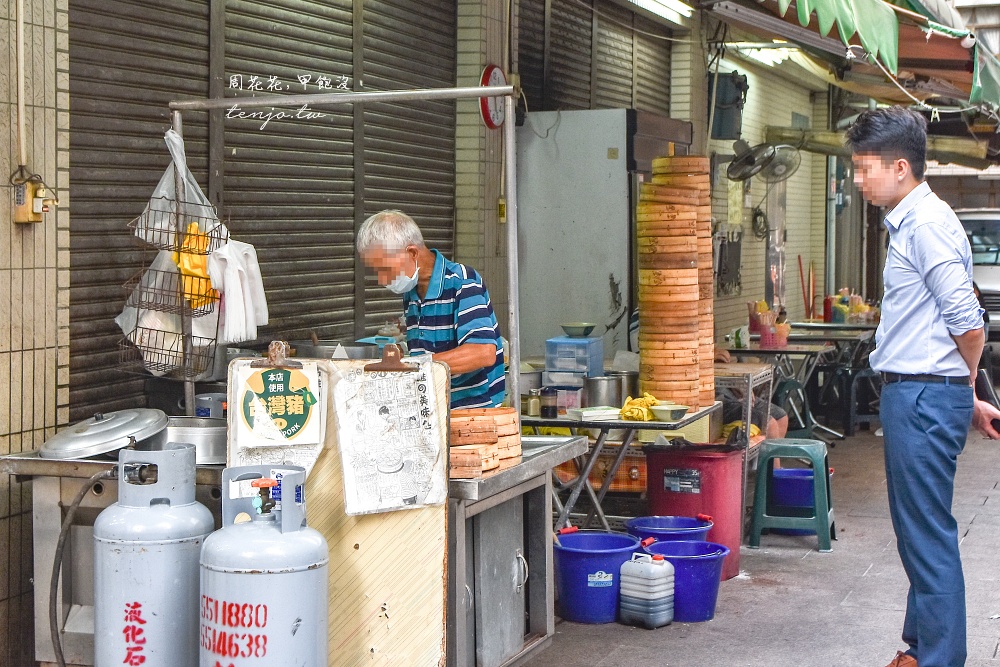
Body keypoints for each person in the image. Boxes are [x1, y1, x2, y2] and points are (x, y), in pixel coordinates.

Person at [846, 106, 1000, 667]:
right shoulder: (915, 221)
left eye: (865, 168)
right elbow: (947, 327)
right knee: (919, 534)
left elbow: (966, 320)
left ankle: (938, 660)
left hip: (922, 397)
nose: (859, 179)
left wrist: (958, 390)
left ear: (901, 166)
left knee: (928, 538)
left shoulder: (927, 225)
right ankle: (919, 650)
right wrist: (972, 395)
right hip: (925, 394)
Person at [356, 209, 505, 409]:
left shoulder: (462, 281)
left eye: (385, 269)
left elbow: (482, 352)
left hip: (473, 412)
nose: (382, 280)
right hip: (435, 409)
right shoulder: (412, 292)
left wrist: (411, 366)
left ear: (412, 253)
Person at [714, 349, 788, 438]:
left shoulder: (707, 345)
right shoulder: (694, 352)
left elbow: (727, 363)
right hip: (716, 399)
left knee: (781, 417)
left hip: (731, 388)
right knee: (770, 424)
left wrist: (741, 385)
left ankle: (770, 451)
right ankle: (765, 451)